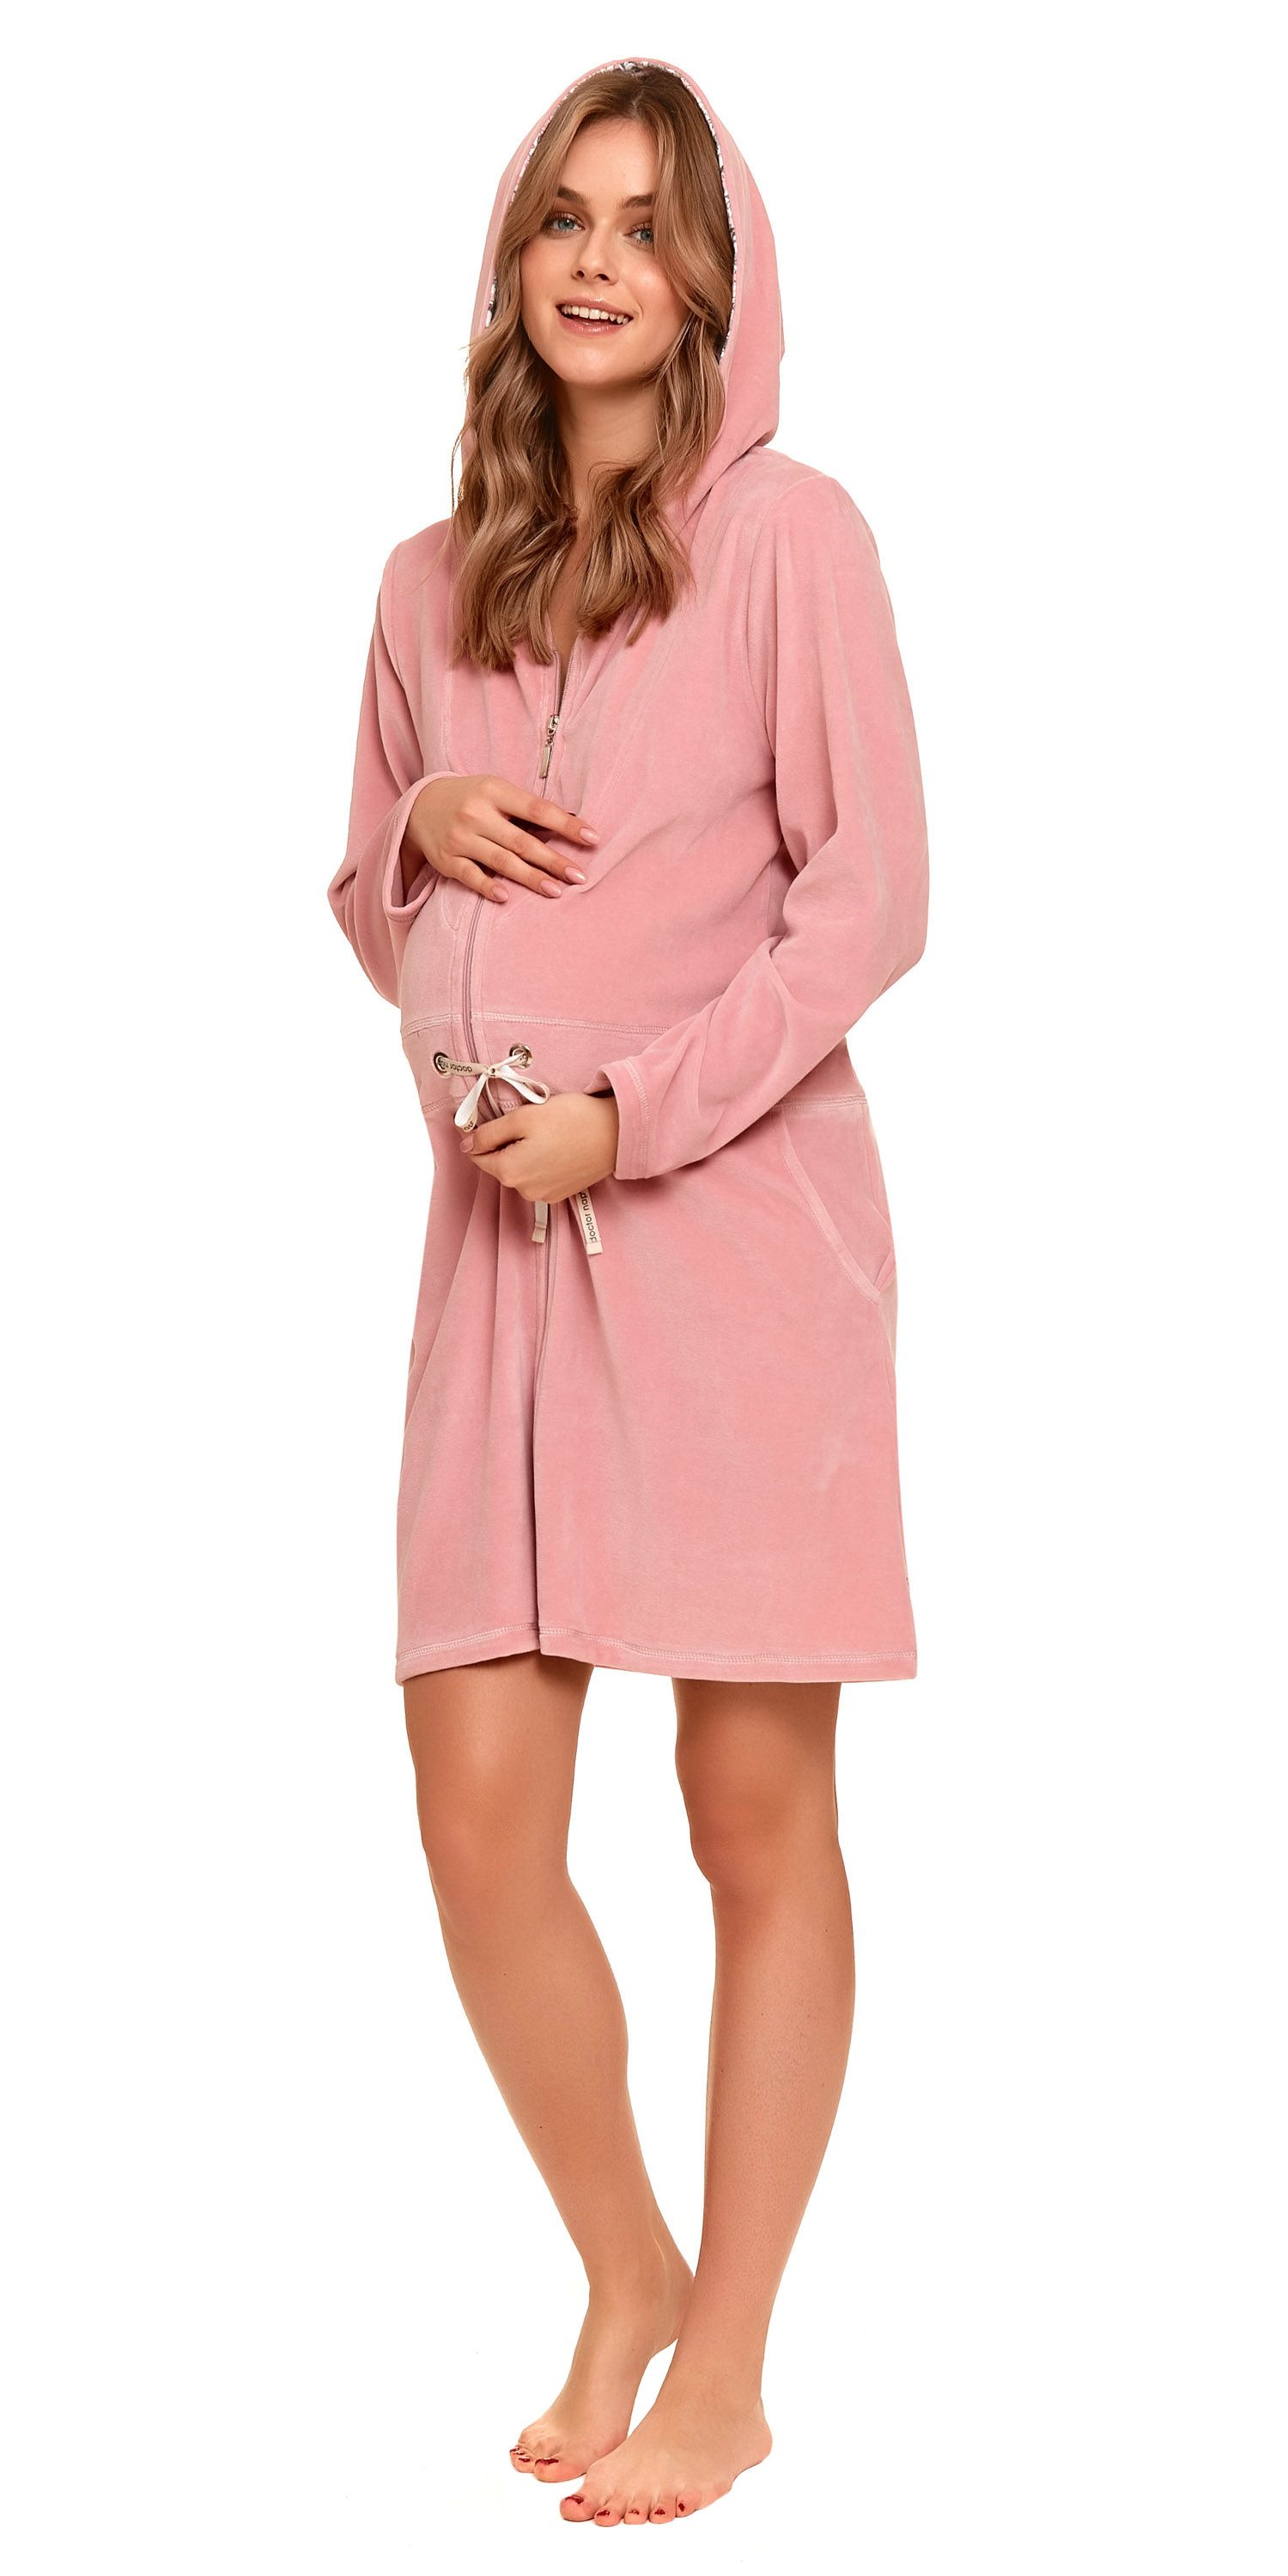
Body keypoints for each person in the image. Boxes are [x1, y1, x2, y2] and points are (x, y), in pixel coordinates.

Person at [327, 54, 929, 2528]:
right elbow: (369, 914)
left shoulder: (789, 541)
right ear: (515, 258)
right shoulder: (422, 584)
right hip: (496, 1271)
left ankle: (733, 2358)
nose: (599, 259)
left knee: (748, 1809)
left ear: (710, 279)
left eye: (648, 224)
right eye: (563, 216)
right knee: (478, 1818)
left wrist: (634, 1116)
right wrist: (413, 827)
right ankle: (625, 2262)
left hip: (734, 1250)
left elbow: (867, 905)